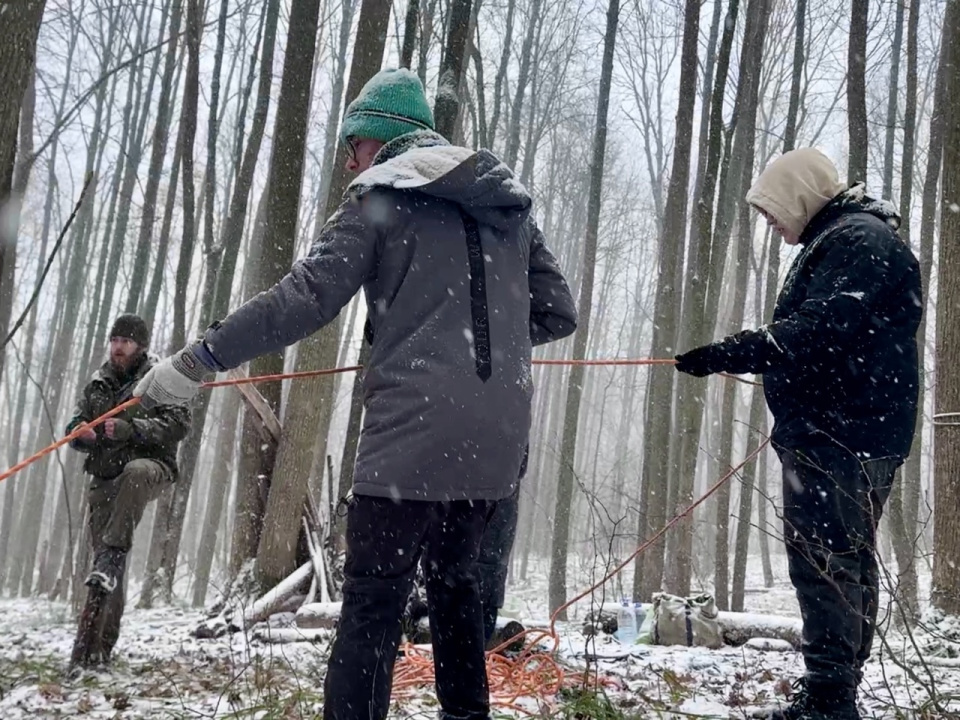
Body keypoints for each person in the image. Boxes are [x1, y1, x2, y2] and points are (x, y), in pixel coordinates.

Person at [133, 68, 577, 720]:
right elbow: (557, 311)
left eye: (355, 143)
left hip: (411, 438)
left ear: (384, 138)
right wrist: (475, 345)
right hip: (496, 443)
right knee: (457, 594)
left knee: (372, 601)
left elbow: (302, 300)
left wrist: (197, 360)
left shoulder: (383, 193)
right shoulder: (503, 206)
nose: (349, 159)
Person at [674, 148, 921, 720]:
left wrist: (731, 351)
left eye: (771, 211)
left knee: (826, 562)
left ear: (799, 194)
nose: (770, 223)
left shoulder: (857, 239)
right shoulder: (847, 237)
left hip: (840, 436)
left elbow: (819, 330)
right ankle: (834, 691)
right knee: (843, 561)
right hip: (847, 430)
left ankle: (831, 700)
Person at [66, 314, 191, 669]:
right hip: (104, 478)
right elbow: (76, 422)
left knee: (133, 479)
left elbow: (179, 423)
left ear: (141, 346)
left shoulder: (162, 379)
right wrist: (81, 433)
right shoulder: (98, 382)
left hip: (151, 467)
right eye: (114, 340)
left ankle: (113, 553)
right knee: (105, 569)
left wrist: (130, 430)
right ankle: (95, 651)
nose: (118, 347)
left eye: (126, 341)